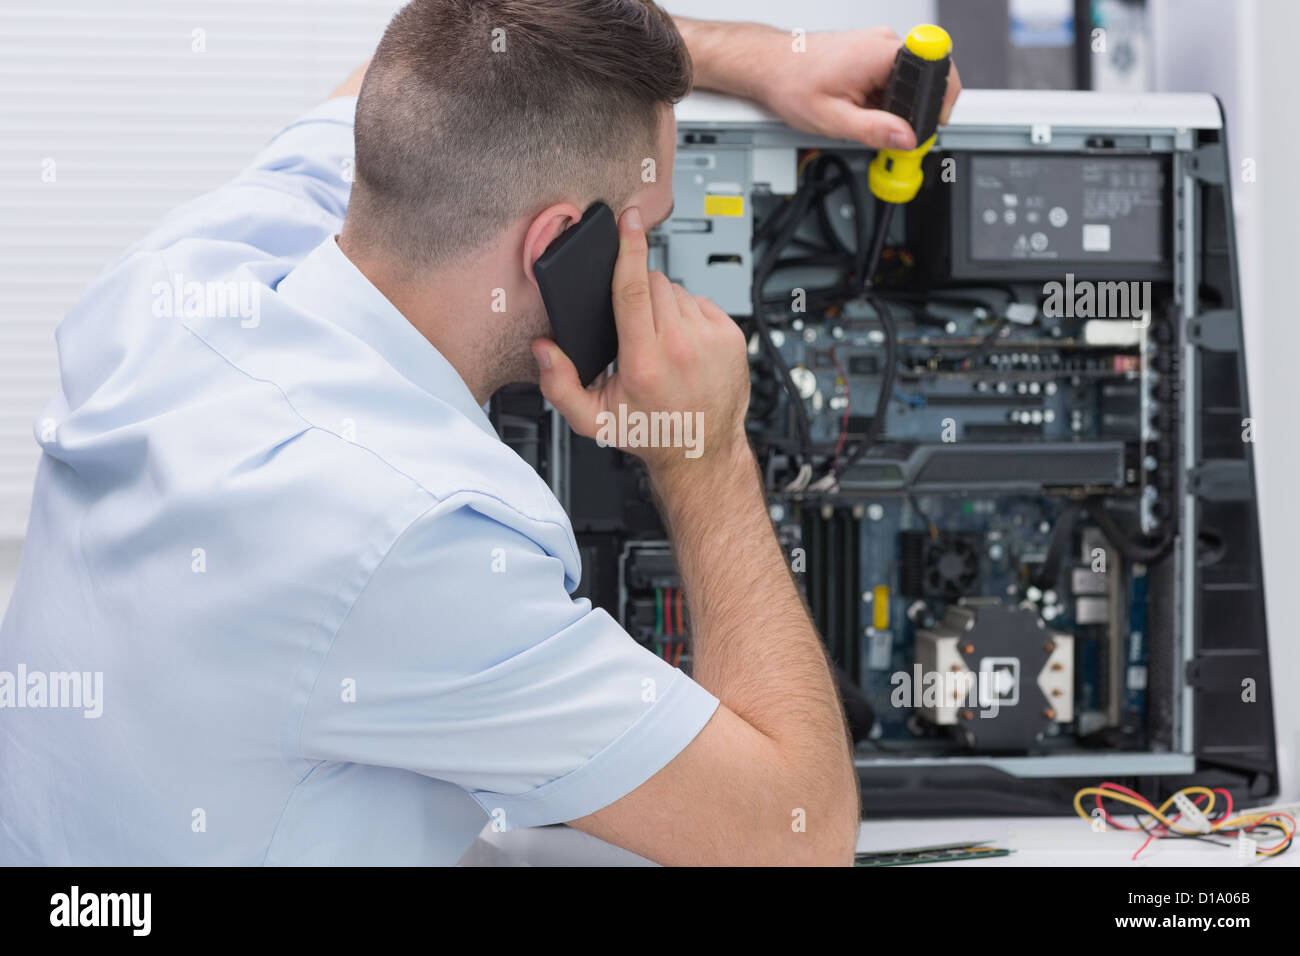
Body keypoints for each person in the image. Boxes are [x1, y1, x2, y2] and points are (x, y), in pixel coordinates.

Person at [0, 0, 959, 865]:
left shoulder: (198, 268)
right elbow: (796, 836)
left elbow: (435, 58)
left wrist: (762, 60)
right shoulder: (403, 537)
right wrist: (703, 455)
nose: (656, 273)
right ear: (558, 251)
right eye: (645, 235)